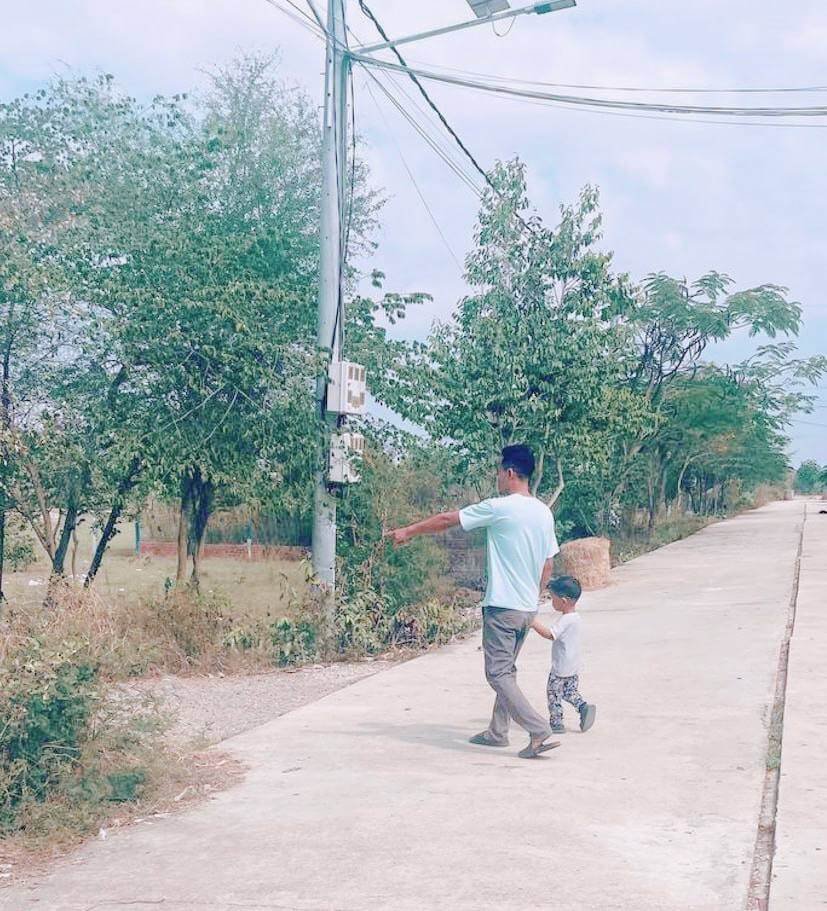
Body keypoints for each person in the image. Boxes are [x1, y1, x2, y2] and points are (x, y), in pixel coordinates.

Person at [385, 444, 560, 759]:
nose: (497, 478)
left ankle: (537, 729)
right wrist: (534, 598)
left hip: (503, 608)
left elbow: (447, 519)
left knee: (498, 673)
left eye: (498, 472)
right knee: (508, 671)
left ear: (509, 473)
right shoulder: (543, 512)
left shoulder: (501, 506)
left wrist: (408, 531)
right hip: (526, 608)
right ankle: (497, 732)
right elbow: (548, 563)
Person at [531, 575, 597, 734]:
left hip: (560, 667)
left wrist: (532, 622)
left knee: (553, 694)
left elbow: (550, 634)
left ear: (564, 601)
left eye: (553, 598)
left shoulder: (566, 620)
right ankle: (582, 707)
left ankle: (556, 722)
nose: (552, 602)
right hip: (573, 665)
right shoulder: (576, 618)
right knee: (569, 692)